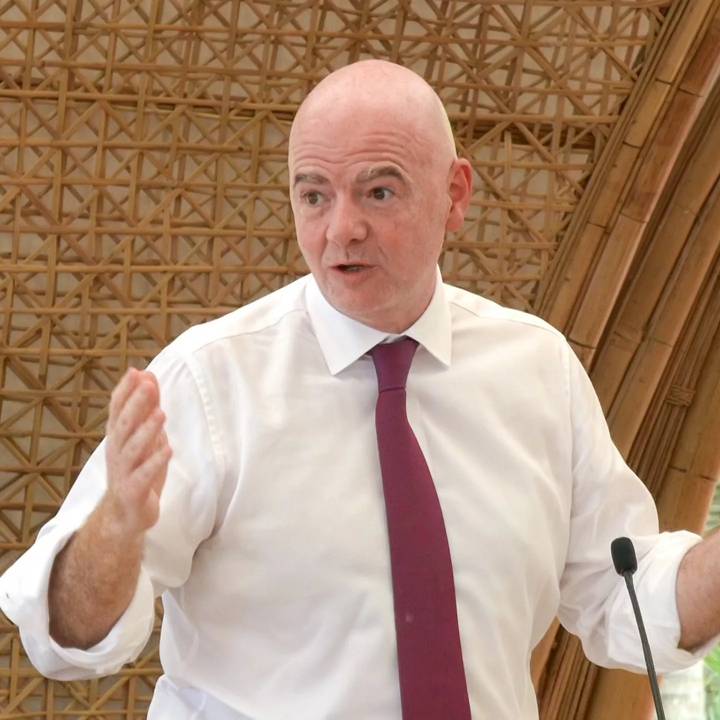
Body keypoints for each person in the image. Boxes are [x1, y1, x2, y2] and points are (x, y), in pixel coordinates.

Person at [1, 59, 719, 720]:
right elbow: (64, 640)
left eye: (379, 191)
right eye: (314, 196)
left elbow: (627, 599)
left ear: (455, 195)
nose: (341, 229)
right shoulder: (212, 380)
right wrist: (117, 530)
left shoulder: (538, 369)